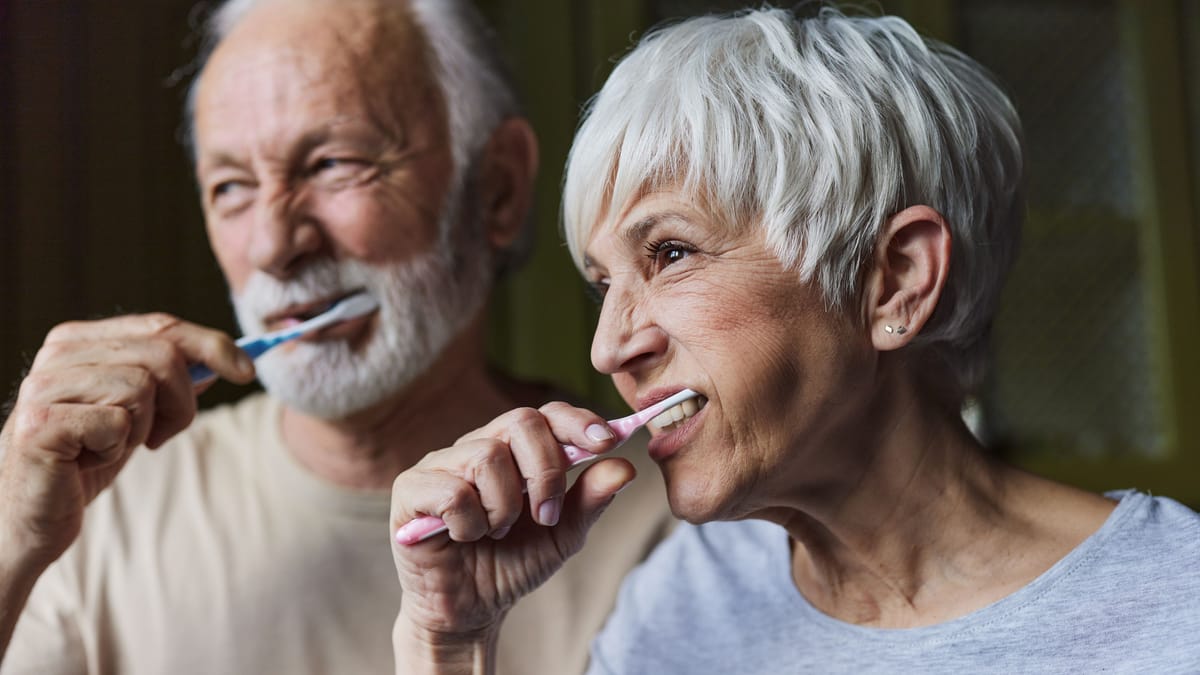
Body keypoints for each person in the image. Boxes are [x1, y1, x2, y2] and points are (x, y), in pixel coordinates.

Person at [388, 6, 1200, 673]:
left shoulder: (1178, 607)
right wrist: (448, 643)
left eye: (670, 253)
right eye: (605, 284)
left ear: (896, 281)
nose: (609, 349)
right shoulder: (681, 605)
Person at [0, 0, 674, 673]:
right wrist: (10, 538)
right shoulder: (97, 524)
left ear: (495, 188)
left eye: (332, 164)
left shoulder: (677, 513)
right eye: (231, 186)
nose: (273, 246)